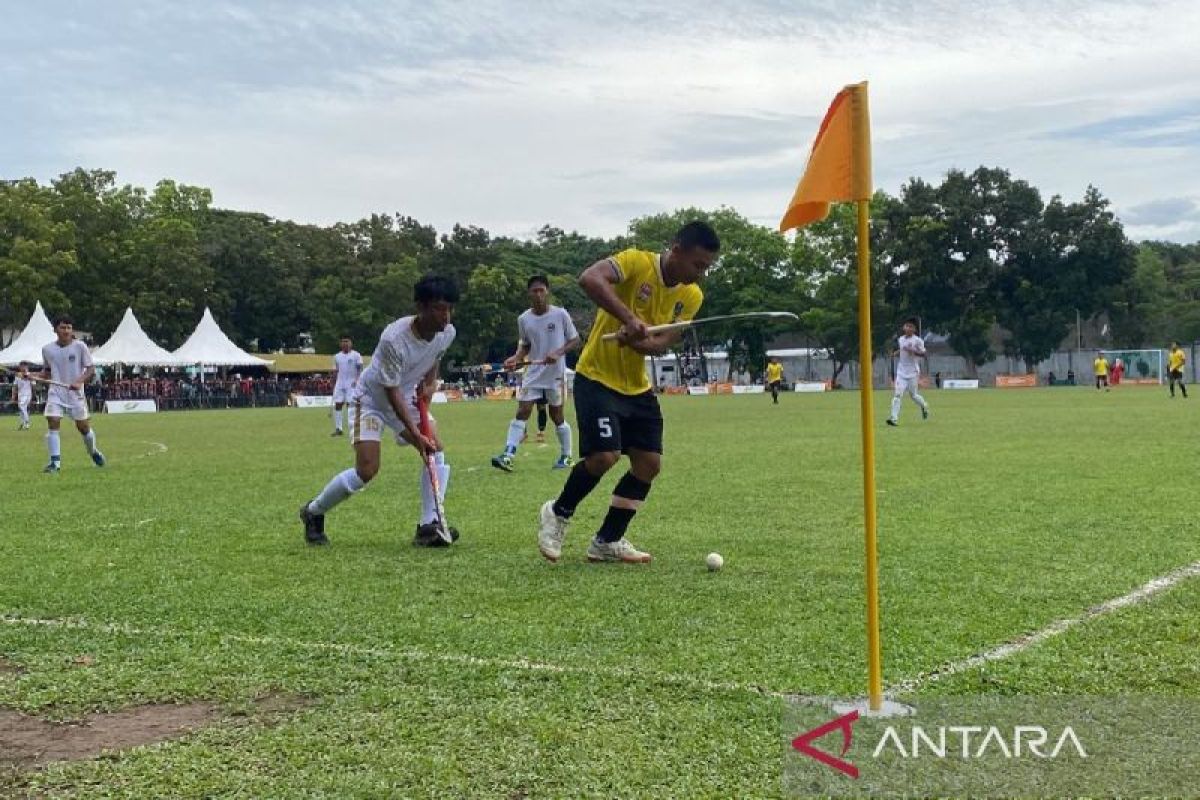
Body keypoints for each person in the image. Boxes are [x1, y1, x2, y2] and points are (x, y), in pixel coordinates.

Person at [537, 220, 719, 564]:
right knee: (604, 456)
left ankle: (607, 540)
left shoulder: (690, 295)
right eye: (697, 265)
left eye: (707, 268)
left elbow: (663, 343)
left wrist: (639, 341)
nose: (700, 274)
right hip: (597, 377)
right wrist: (628, 317)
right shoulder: (636, 261)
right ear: (676, 250)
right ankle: (557, 513)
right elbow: (590, 278)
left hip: (637, 387)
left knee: (648, 464)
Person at [300, 275, 460, 548]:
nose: (445, 316)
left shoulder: (447, 332)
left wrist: (430, 384)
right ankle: (313, 512)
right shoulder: (393, 339)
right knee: (367, 470)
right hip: (372, 400)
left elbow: (434, 358)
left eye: (448, 308)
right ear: (420, 307)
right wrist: (414, 433)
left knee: (435, 449)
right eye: (438, 309)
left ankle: (428, 525)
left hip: (406, 396)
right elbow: (391, 391)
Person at [491, 275, 581, 471]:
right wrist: (516, 358)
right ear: (529, 294)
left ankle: (566, 456)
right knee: (523, 410)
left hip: (555, 374)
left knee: (556, 416)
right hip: (533, 373)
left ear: (547, 292)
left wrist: (558, 352)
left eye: (542, 290)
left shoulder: (560, 314)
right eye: (535, 291)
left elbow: (575, 340)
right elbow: (525, 344)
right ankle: (508, 455)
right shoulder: (523, 319)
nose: (539, 294)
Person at [38, 316, 105, 473]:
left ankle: (93, 451)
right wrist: (30, 375)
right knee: (53, 421)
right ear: (55, 330)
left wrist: (79, 381)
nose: (66, 331)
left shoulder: (80, 346)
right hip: (56, 392)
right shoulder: (47, 349)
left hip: (76, 395)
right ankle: (55, 463)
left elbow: (90, 369)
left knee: (83, 427)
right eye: (63, 327)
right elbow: (47, 373)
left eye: (69, 327)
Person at [886, 318, 929, 427]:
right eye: (906, 326)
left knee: (913, 395)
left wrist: (913, 351)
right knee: (897, 395)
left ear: (914, 329)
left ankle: (924, 406)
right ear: (903, 327)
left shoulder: (918, 341)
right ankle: (894, 418)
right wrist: (895, 353)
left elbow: (924, 354)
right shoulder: (900, 339)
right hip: (901, 372)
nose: (908, 328)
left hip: (913, 372)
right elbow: (902, 349)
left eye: (911, 326)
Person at [330, 336, 364, 437]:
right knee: (338, 404)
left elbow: (360, 368)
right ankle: (338, 428)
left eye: (347, 341)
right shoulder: (337, 356)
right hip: (340, 383)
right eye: (343, 341)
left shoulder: (356, 355)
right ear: (340, 344)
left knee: (350, 404)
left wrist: (357, 380)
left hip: (351, 383)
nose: (345, 343)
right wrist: (333, 382)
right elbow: (335, 370)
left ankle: (352, 427)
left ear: (351, 343)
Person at [12, 362, 33, 430]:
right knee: (21, 409)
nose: (22, 367)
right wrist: (13, 395)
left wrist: (28, 378)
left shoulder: (30, 375)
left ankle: (27, 423)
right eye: (21, 366)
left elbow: (33, 385)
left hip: (27, 394)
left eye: (24, 366)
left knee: (22, 407)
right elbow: (15, 386)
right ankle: (22, 423)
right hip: (20, 395)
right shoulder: (17, 375)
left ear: (26, 367)